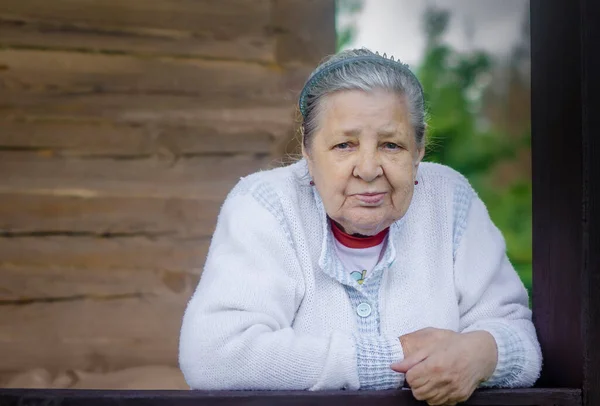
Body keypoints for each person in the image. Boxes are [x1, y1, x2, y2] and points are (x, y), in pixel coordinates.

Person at [178, 48, 542, 405]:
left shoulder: (449, 199)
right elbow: (214, 353)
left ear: (418, 150)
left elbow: (521, 342)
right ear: (307, 149)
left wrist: (484, 355)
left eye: (391, 145)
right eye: (343, 145)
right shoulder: (266, 204)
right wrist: (393, 359)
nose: (368, 169)